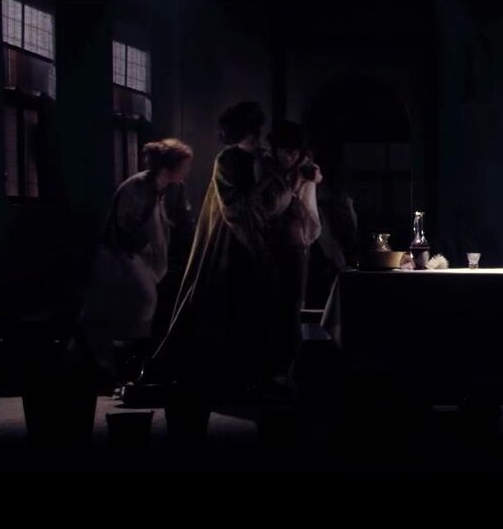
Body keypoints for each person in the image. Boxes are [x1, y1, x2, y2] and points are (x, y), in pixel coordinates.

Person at [148, 102, 295, 398]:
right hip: (230, 245)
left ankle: (255, 374)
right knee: (228, 306)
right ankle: (228, 376)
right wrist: (256, 236)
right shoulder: (227, 160)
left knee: (258, 310)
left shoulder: (265, 160)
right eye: (251, 129)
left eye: (256, 129)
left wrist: (271, 191)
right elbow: (234, 208)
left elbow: (279, 198)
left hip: (261, 242)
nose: (255, 135)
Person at [78, 138, 193, 381]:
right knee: (140, 302)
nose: (186, 171)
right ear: (170, 165)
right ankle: (127, 360)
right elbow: (125, 225)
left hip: (147, 257)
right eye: (182, 165)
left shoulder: (173, 189)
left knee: (138, 306)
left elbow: (182, 221)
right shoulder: (138, 186)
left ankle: (130, 361)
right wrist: (144, 246)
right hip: (121, 254)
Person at [264, 120, 322, 378]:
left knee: (293, 307)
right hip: (271, 243)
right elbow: (270, 207)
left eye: (294, 152)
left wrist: (303, 178)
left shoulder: (303, 168)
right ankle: (274, 368)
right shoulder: (268, 170)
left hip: (297, 241)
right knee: (273, 306)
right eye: (285, 151)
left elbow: (313, 182)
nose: (290, 157)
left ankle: (288, 369)